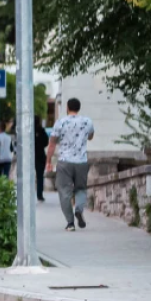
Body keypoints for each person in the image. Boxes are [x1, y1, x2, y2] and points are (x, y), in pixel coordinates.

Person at [47, 98, 95, 231]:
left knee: (64, 193)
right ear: (79, 108)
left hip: (64, 161)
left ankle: (70, 223)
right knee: (81, 189)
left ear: (67, 107)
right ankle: (79, 209)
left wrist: (48, 161)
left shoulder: (60, 122)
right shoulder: (87, 121)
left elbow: (52, 143)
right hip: (81, 161)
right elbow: (90, 136)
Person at [33, 115, 49, 202]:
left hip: (30, 156)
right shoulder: (42, 131)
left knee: (28, 176)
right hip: (40, 155)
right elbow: (46, 142)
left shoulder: (29, 130)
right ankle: (40, 195)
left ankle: (28, 193)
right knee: (40, 176)